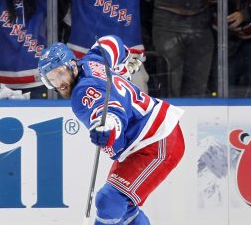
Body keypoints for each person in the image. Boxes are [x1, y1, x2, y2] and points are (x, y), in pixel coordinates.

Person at [37, 35, 185, 225]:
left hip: (157, 140)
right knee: (123, 209)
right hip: (143, 141)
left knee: (109, 201)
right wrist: (124, 59)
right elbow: (109, 42)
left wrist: (106, 126)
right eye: (52, 79)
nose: (60, 83)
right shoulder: (92, 60)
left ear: (72, 65)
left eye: (59, 73)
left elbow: (110, 111)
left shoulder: (81, 92)